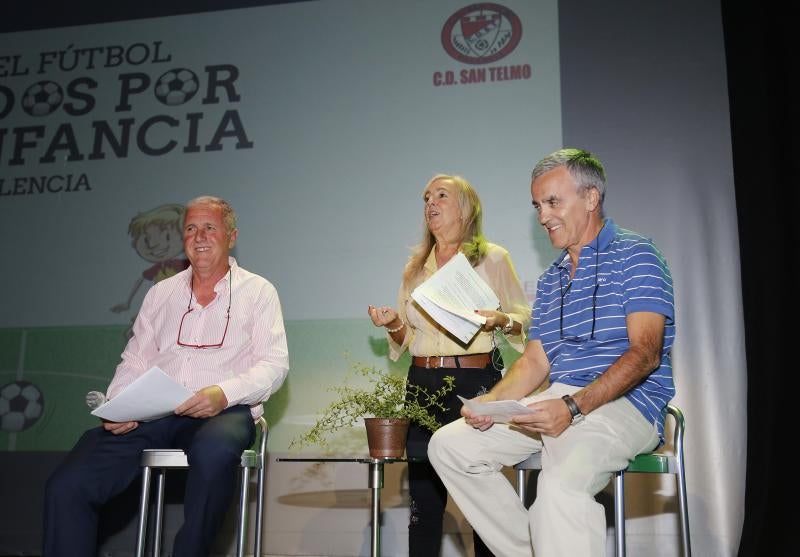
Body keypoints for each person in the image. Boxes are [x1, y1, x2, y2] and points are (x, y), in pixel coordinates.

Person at [428, 148, 676, 557]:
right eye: (538, 205)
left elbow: (646, 354)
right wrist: (488, 403)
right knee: (450, 447)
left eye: (553, 202)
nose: (542, 216)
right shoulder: (551, 279)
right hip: (559, 398)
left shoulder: (637, 255)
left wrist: (574, 407)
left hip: (627, 404)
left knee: (559, 491)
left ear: (591, 198)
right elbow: (535, 362)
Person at [43, 196, 290, 557]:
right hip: (156, 411)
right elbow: (135, 358)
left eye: (210, 228)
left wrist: (223, 393)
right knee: (67, 484)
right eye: (191, 228)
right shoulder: (161, 293)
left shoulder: (258, 291)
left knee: (214, 454)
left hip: (224, 410)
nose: (199, 236)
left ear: (231, 236)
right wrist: (119, 405)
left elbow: (274, 363)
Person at [368, 174, 530, 556]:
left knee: (479, 498)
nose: (431, 203)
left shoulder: (492, 257)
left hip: (475, 382)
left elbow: (525, 317)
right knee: (423, 500)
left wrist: (502, 319)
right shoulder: (415, 267)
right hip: (422, 381)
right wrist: (393, 324)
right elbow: (407, 339)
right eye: (426, 197)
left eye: (442, 195)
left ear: (466, 208)